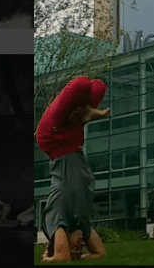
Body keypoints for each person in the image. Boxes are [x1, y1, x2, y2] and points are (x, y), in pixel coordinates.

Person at [36, 76, 110, 262]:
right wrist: (84, 256)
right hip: (74, 144)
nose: (80, 246)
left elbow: (63, 257)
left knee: (81, 84)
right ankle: (83, 115)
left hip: (51, 138)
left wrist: (49, 256)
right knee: (98, 87)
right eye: (81, 248)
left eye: (74, 247)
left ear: (61, 240)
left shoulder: (56, 217)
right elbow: (100, 254)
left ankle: (83, 114)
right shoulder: (81, 223)